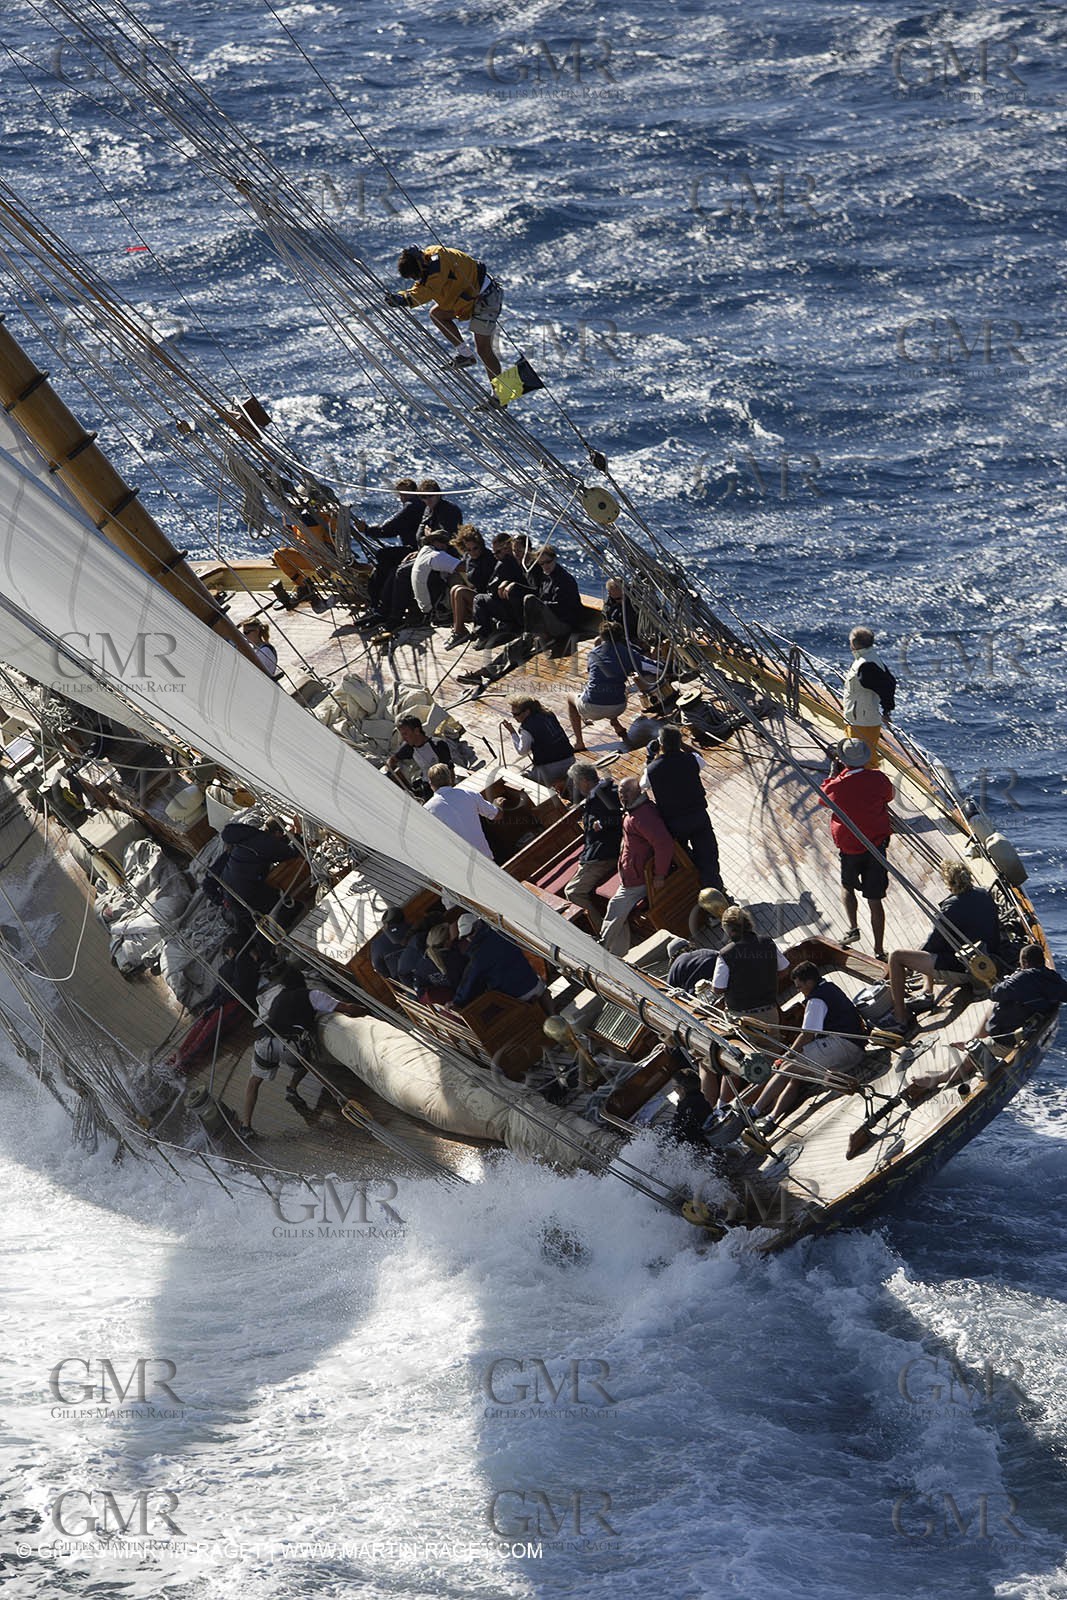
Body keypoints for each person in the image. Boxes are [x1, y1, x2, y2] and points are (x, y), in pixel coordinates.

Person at [905, 944, 1067, 1100]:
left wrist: (1013, 978)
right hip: (1028, 1025)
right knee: (997, 1006)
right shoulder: (1053, 978)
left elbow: (996, 993)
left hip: (1006, 1043)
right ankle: (973, 1040)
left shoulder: (1024, 977)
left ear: (1024, 962)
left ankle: (936, 1079)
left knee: (972, 1057)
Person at [239, 962, 357, 1133]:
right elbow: (346, 1008)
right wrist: (364, 1010)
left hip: (266, 1042)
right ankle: (292, 1087)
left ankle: (245, 1126)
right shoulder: (312, 995)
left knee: (254, 1082)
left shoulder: (278, 997)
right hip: (290, 1047)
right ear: (302, 980)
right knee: (307, 1061)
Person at [696, 905, 790, 1111]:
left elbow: (718, 988)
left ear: (729, 930)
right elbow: (784, 969)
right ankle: (770, 1102)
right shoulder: (767, 943)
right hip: (769, 1013)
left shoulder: (726, 955)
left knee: (737, 1063)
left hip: (742, 1020)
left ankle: (723, 1107)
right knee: (772, 1058)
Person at [888, 860, 1002, 1029]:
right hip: (992, 958)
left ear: (948, 882)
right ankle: (927, 990)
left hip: (969, 967)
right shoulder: (984, 894)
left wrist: (910, 967)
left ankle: (900, 1017)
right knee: (928, 946)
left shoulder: (951, 907)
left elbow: (933, 946)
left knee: (897, 957)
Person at [750, 961, 866, 1127]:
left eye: (799, 987)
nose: (799, 991)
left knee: (786, 1068)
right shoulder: (830, 987)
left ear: (809, 982)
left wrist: (786, 1056)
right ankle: (771, 1118)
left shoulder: (816, 1000)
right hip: (855, 1049)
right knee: (796, 1077)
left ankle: (753, 1111)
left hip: (844, 1046)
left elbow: (807, 1035)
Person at [820, 736, 895, 959]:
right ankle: (879, 949)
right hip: (876, 847)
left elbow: (824, 800)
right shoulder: (878, 778)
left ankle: (853, 928)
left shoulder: (836, 785)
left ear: (843, 760)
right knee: (875, 900)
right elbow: (889, 796)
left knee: (847, 886)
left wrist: (833, 775)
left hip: (849, 848)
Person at [387, 245, 503, 377]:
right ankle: (465, 355)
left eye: (416, 275)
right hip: (469, 298)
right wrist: (401, 296)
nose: (416, 279)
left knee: (483, 349)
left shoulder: (438, 263)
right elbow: (422, 285)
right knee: (437, 315)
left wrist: (404, 299)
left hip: (485, 298)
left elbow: (429, 290)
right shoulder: (427, 264)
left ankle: (501, 389)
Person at [643, 724, 727, 893]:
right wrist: (681, 745)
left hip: (675, 823)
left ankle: (698, 890)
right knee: (708, 857)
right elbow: (699, 757)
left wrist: (650, 757)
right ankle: (716, 891)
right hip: (698, 816)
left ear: (661, 745)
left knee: (685, 859)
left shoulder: (652, 770)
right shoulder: (691, 760)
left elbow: (642, 785)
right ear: (678, 742)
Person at [599, 776, 674, 957]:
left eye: (627, 792)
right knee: (618, 913)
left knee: (615, 908)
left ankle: (601, 950)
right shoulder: (633, 812)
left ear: (638, 791)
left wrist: (659, 875)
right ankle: (617, 954)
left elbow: (664, 844)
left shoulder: (643, 816)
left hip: (639, 880)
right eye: (620, 792)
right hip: (632, 876)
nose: (622, 796)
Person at [567, 620, 653, 750]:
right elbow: (654, 666)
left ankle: (579, 742)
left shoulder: (593, 654)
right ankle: (616, 724)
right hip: (619, 706)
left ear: (602, 637)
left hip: (592, 708)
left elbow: (592, 672)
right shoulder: (628, 653)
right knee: (617, 689)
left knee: (570, 697)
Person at [219, 815, 302, 940]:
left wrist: (288, 837)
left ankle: (263, 947)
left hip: (230, 890)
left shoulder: (249, 841)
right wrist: (298, 833)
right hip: (247, 892)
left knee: (253, 927)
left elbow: (272, 846)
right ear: (278, 832)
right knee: (287, 907)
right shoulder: (263, 843)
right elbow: (290, 852)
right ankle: (289, 939)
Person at [563, 761, 622, 934]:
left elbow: (619, 816)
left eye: (576, 782)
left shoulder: (606, 794)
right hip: (597, 852)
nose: (575, 786)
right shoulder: (600, 793)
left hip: (605, 855)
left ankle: (602, 932)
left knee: (573, 892)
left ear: (584, 781)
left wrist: (602, 823)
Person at [449, 912, 546, 1009]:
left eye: (471, 933)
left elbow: (469, 983)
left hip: (516, 998)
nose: (469, 938)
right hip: (536, 984)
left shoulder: (478, 957)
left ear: (478, 925)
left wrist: (456, 1002)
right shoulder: (501, 932)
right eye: (465, 936)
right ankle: (551, 1012)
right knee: (542, 990)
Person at [356, 477, 422, 618]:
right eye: (400, 494)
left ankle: (378, 604)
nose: (402, 498)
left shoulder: (411, 506)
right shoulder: (420, 505)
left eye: (404, 493)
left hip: (414, 549)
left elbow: (389, 528)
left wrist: (367, 530)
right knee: (385, 557)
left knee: (382, 556)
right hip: (417, 548)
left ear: (413, 492)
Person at [842, 626, 896, 768]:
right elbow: (889, 682)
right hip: (858, 717)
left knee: (864, 757)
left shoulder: (866, 666)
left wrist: (887, 709)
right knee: (857, 753)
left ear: (853, 643)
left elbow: (887, 686)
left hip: (862, 720)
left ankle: (867, 778)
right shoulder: (869, 659)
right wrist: (887, 710)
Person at [424, 764, 500, 859]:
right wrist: (498, 805)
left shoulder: (427, 810)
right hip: (485, 856)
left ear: (431, 784)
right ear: (450, 778)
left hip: (459, 862)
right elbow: (496, 815)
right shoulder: (469, 794)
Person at [470, 533, 531, 647]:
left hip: (514, 611)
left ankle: (483, 635)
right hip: (516, 609)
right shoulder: (514, 562)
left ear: (507, 548)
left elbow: (492, 589)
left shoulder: (506, 563)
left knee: (479, 599)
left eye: (498, 552)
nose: (495, 556)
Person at [501, 697, 575, 787]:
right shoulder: (548, 714)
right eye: (513, 714)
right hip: (570, 760)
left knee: (521, 779)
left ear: (527, 712)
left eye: (516, 714)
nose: (514, 717)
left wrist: (512, 732)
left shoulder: (527, 728)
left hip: (550, 769)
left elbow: (522, 751)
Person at [442, 526, 495, 648]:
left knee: (460, 591)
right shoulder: (468, 558)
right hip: (477, 597)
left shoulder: (489, 558)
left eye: (475, 548)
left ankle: (459, 632)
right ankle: (458, 628)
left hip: (488, 600)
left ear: (481, 545)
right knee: (455, 588)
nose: (473, 552)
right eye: (469, 549)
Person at [521, 546, 584, 647]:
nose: (545, 566)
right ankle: (534, 636)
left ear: (554, 559)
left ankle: (531, 637)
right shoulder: (546, 577)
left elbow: (561, 607)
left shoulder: (564, 580)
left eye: (548, 562)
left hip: (564, 624)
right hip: (551, 620)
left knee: (530, 599)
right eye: (541, 563)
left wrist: (540, 604)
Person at [387, 716, 454, 798]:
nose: (403, 738)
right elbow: (392, 760)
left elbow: (450, 768)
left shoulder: (437, 745)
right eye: (402, 735)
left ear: (416, 731)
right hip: (426, 785)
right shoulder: (409, 748)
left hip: (442, 785)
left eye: (405, 734)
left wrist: (451, 790)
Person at [411, 527, 463, 619]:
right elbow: (464, 567)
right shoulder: (436, 555)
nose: (444, 545)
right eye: (440, 541)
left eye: (446, 542)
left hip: (426, 606)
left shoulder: (424, 551)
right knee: (456, 576)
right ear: (432, 541)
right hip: (436, 607)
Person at [604, 576, 642, 650]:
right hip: (620, 637)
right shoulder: (609, 607)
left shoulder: (637, 600)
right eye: (618, 598)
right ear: (610, 594)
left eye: (624, 596)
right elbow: (607, 621)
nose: (622, 600)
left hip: (636, 636)